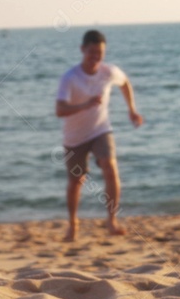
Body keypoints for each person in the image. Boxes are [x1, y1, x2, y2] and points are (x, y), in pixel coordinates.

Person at [56, 29, 144, 241]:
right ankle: (73, 224)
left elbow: (125, 83)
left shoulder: (108, 72)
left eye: (100, 52)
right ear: (82, 50)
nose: (96, 57)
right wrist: (85, 104)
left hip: (101, 129)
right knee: (76, 181)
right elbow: (60, 110)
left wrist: (131, 109)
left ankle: (112, 221)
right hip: (74, 136)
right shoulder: (70, 78)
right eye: (92, 52)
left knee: (110, 166)